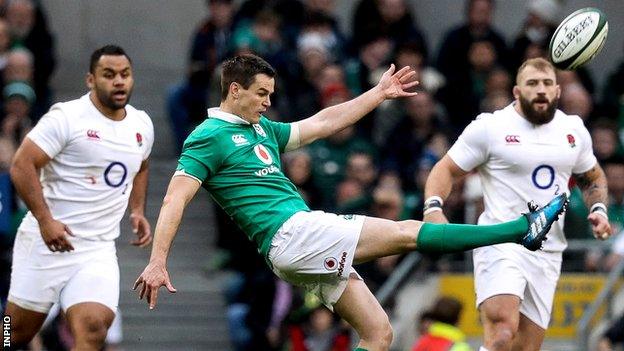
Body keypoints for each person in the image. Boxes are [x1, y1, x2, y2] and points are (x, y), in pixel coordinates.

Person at [133, 54, 566, 351]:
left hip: (296, 244)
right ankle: (519, 231)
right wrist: (158, 260)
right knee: (407, 231)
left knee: (378, 334)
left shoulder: (259, 129)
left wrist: (377, 94)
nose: (269, 102)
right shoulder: (208, 136)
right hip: (293, 234)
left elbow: (321, 123)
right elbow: (175, 197)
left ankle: (520, 232)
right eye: (262, 93)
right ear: (233, 90)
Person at [423, 57, 611, 351]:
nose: (540, 90)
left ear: (558, 91)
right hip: (501, 241)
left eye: (547, 83)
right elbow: (445, 169)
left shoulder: (573, 131)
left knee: (524, 347)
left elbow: (592, 176)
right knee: (501, 330)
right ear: (516, 91)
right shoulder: (491, 127)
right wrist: (433, 209)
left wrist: (598, 210)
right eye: (532, 83)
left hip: (547, 251)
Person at [3, 45, 154, 350]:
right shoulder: (67, 117)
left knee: (95, 326)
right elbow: (21, 165)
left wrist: (137, 209)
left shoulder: (141, 124)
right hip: (46, 243)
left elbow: (143, 164)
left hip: (96, 248)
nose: (119, 82)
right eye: (109, 75)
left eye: (125, 74)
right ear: (90, 80)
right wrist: (46, 221)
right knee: (13, 333)